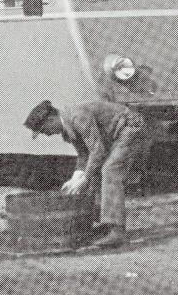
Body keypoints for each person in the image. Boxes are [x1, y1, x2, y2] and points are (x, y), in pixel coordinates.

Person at [23, 99, 151, 248]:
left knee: (110, 171)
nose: (47, 134)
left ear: (51, 119)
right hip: (117, 134)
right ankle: (105, 224)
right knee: (95, 173)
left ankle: (117, 231)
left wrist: (85, 178)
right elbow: (85, 155)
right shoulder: (69, 127)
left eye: (44, 130)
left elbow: (97, 151)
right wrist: (75, 178)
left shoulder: (78, 117)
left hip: (131, 127)